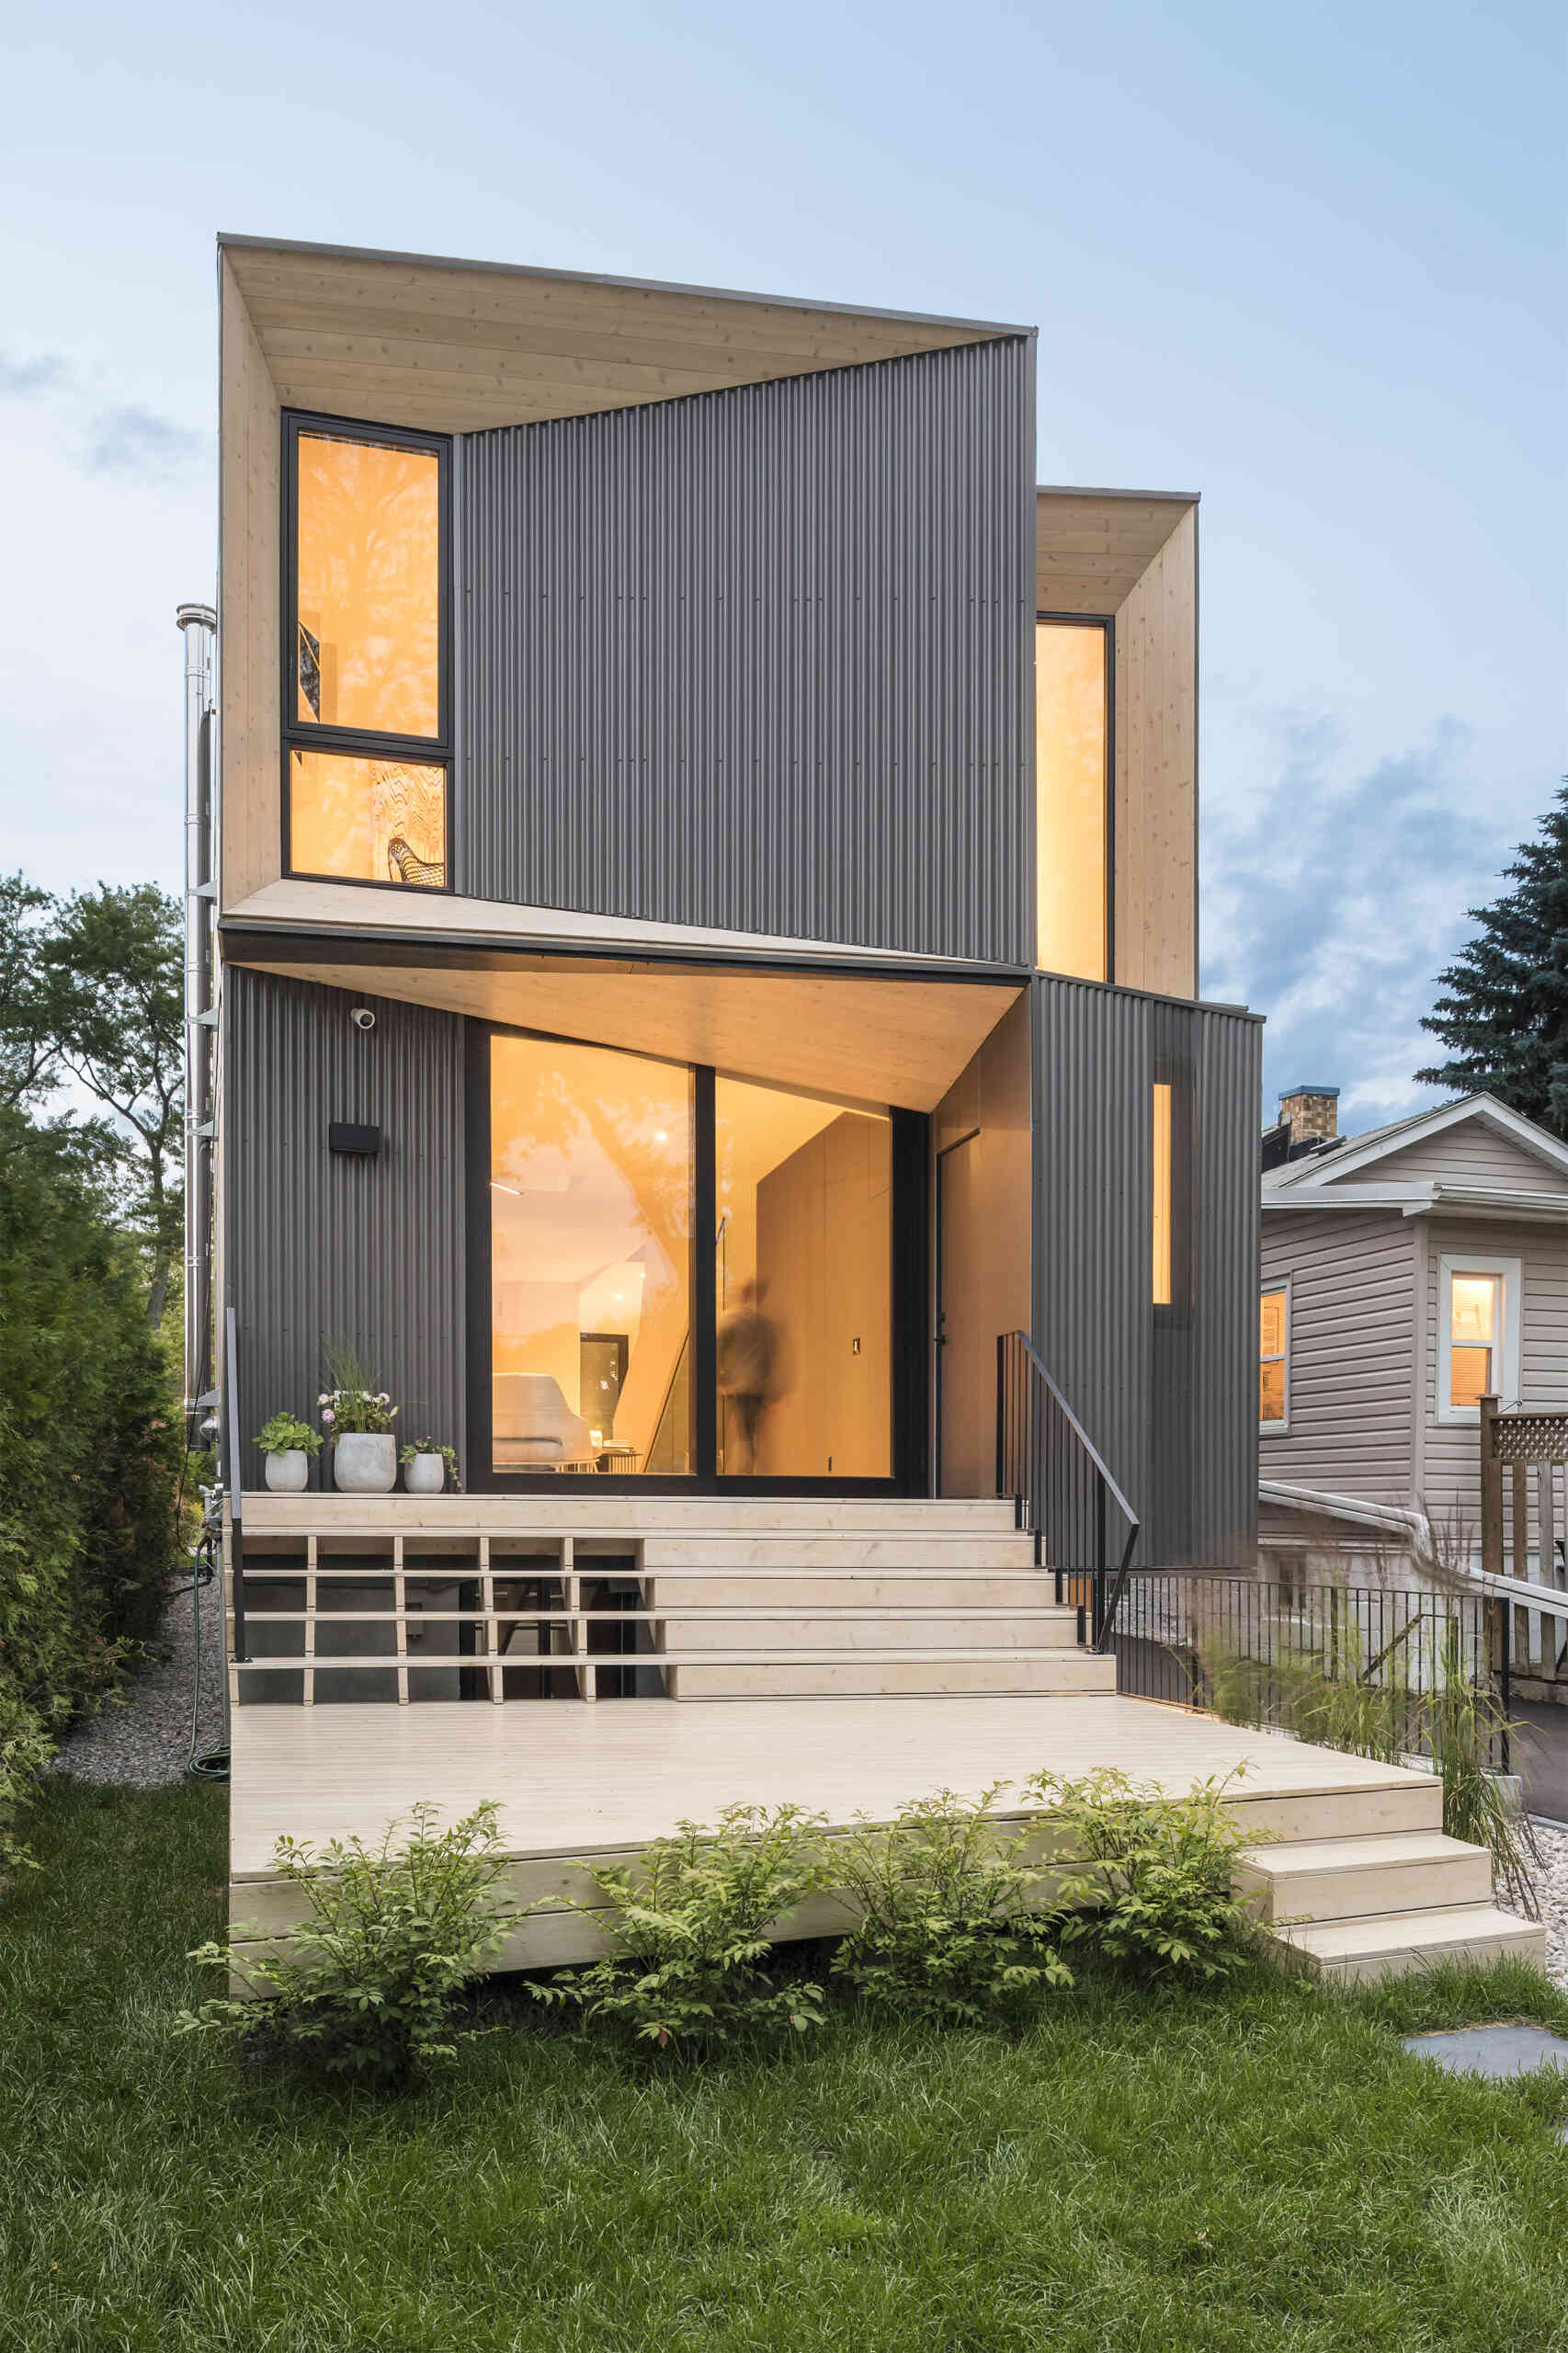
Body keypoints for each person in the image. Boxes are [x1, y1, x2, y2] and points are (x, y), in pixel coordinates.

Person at [716, 1280, 778, 1474]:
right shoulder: (764, 1324)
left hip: (739, 1388)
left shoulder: (731, 1320)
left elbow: (715, 1350)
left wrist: (720, 1383)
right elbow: (770, 1358)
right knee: (750, 1437)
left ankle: (740, 1479)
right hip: (756, 1388)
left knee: (743, 1437)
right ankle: (749, 1478)